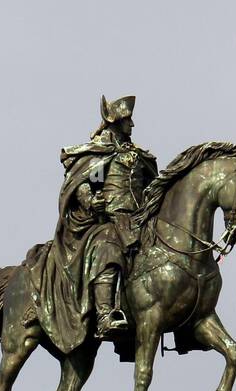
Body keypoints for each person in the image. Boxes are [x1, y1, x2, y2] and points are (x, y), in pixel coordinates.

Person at [26, 94, 159, 351]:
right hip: (108, 219)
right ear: (116, 122)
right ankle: (105, 314)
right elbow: (85, 181)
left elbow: (153, 188)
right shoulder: (101, 154)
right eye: (127, 121)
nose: (132, 126)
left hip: (138, 220)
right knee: (107, 245)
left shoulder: (138, 155)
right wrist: (90, 200)